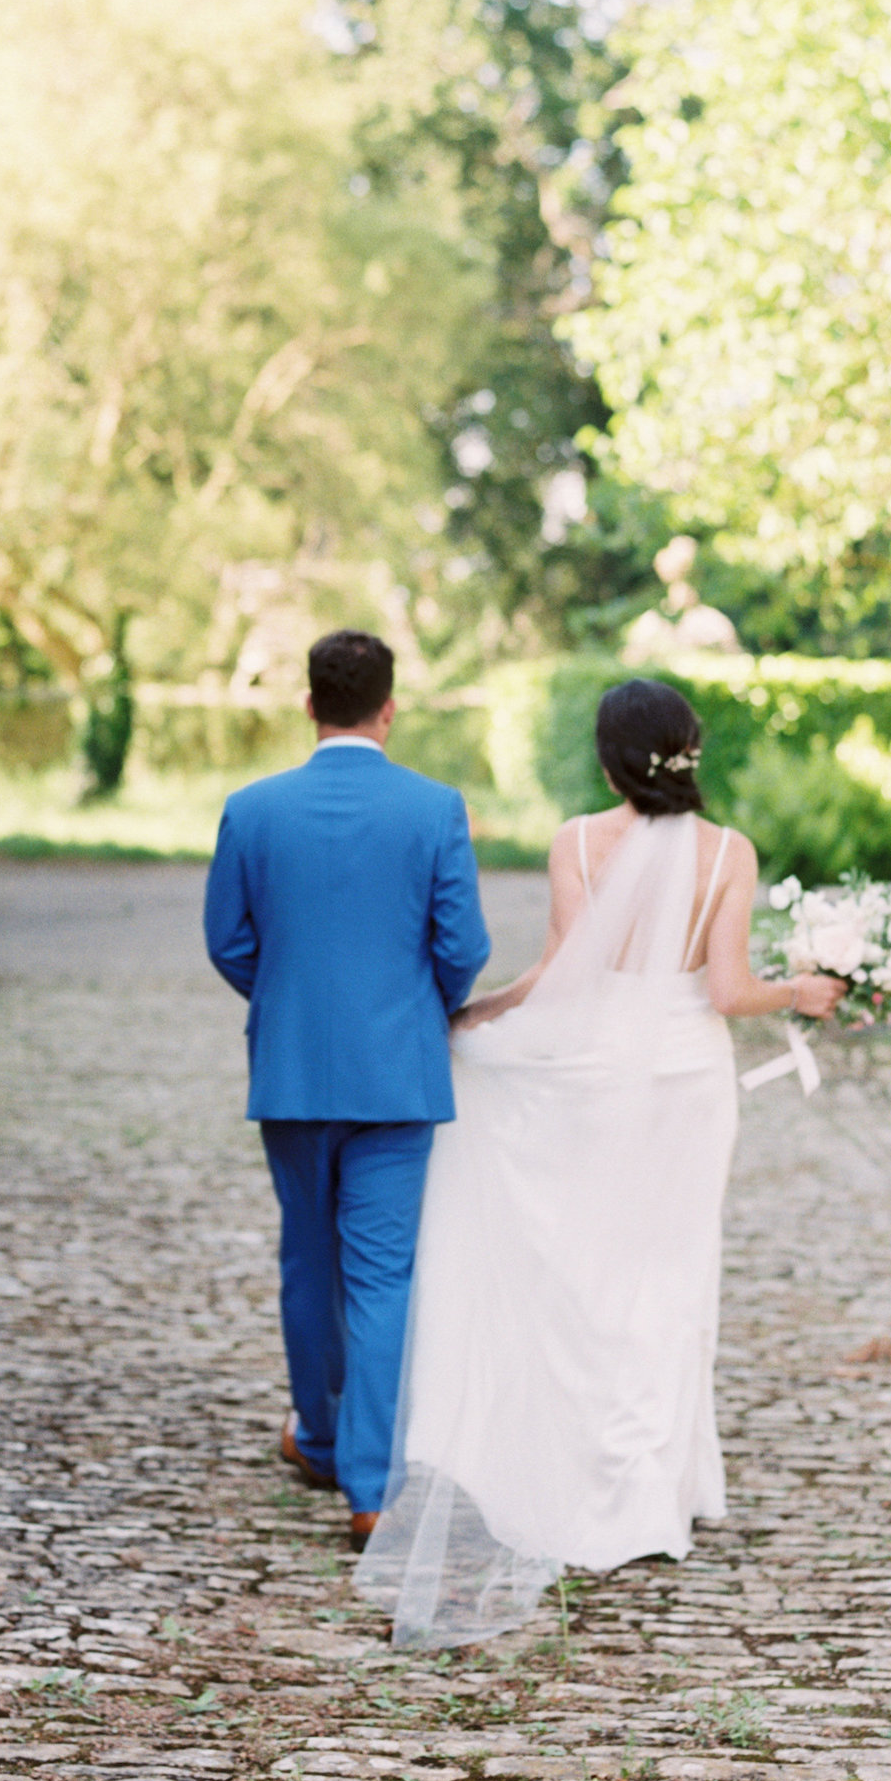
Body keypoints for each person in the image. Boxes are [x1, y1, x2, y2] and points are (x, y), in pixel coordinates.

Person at [355, 677, 842, 1649]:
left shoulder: (576, 841)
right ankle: (650, 1492)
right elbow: (729, 990)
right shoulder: (727, 853)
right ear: (689, 751)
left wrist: (477, 1015)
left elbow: (558, 976)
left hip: (588, 1076)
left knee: (585, 1268)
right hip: (683, 1084)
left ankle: (579, 1471)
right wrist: (806, 989)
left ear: (609, 757)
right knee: (667, 1270)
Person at [203, 629, 491, 1551]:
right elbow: (464, 949)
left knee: (306, 1260)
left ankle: (319, 1438)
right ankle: (370, 1488)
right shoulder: (436, 807)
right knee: (381, 1276)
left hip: (291, 1072)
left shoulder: (251, 809)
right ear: (390, 707)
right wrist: (416, 1010)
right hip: (398, 1078)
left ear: (309, 704)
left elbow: (229, 940)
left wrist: (288, 1001)